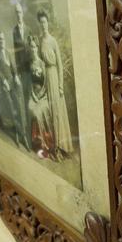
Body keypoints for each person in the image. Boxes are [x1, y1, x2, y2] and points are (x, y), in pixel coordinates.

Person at [37, 10, 73, 159]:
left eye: (45, 22)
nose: (43, 25)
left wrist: (60, 85)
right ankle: (53, 148)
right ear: (39, 24)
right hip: (46, 78)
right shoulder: (40, 40)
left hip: (54, 77)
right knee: (50, 113)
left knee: (58, 113)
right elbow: (40, 61)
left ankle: (61, 147)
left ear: (48, 23)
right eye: (41, 22)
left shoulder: (52, 41)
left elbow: (59, 64)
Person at [0, 31, 30, 151]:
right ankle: (16, 132)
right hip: (4, 85)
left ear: (4, 40)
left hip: (12, 82)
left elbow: (14, 68)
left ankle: (23, 135)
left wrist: (15, 76)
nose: (1, 41)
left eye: (3, 39)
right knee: (11, 107)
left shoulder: (8, 53)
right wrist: (4, 80)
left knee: (19, 104)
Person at [27, 36, 55, 159]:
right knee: (30, 109)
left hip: (43, 95)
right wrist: (33, 96)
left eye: (34, 46)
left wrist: (40, 95)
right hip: (34, 95)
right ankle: (36, 141)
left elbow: (45, 84)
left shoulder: (42, 64)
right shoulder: (30, 65)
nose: (33, 49)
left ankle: (45, 144)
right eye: (31, 47)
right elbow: (30, 85)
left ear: (37, 48)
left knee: (39, 112)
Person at [13, 3, 31, 108]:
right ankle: (28, 123)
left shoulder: (28, 29)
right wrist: (18, 72)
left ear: (22, 13)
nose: (18, 14)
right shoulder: (14, 31)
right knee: (25, 98)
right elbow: (16, 52)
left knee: (32, 94)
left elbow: (32, 48)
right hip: (23, 70)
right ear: (16, 15)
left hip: (30, 67)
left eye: (20, 12)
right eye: (17, 12)